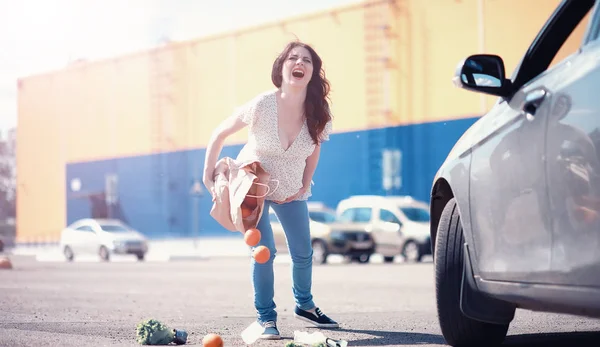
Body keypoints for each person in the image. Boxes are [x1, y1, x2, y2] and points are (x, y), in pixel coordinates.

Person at [202, 40, 339, 340]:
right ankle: (266, 319)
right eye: (293, 58)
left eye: (306, 59)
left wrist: (305, 183)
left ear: (313, 72)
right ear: (282, 66)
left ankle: (305, 305)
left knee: (303, 252)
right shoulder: (263, 104)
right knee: (264, 252)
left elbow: (314, 149)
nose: (299, 62)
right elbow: (220, 133)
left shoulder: (319, 111)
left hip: (291, 190)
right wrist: (207, 174)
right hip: (254, 188)